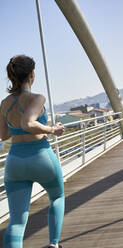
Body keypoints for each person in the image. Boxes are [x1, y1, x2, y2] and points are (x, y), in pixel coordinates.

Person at [0, 55, 65, 248]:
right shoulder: (37, 98)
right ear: (31, 75)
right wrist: (53, 130)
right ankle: (53, 245)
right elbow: (28, 123)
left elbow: (3, 136)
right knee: (57, 197)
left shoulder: (4, 103)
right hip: (41, 156)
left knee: (17, 221)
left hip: (15, 163)